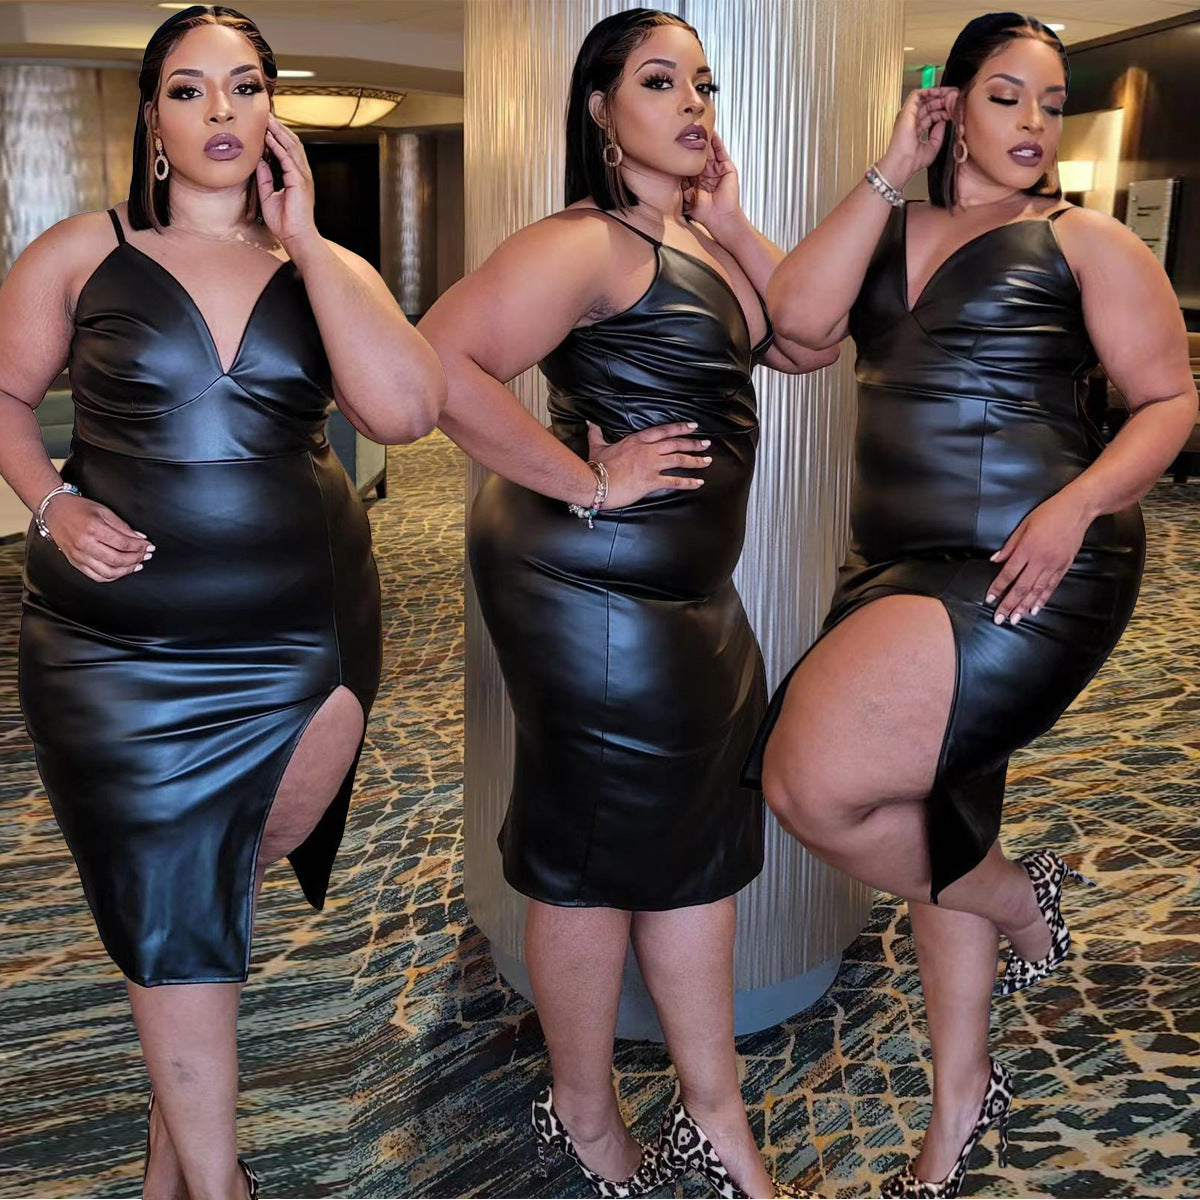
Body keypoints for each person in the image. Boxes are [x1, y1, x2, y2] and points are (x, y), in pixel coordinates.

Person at [747, 12, 1197, 1198]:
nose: (1036, 124)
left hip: (1031, 564)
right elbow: (799, 323)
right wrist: (888, 167)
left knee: (809, 783)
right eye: (1008, 97)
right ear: (949, 105)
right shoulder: (890, 224)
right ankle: (960, 1108)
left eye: (1051, 103)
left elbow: (1167, 403)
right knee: (936, 809)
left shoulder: (1083, 239)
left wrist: (1074, 508)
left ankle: (1013, 898)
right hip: (892, 566)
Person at [0, 6, 445, 1195]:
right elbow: (3, 397)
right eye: (190, 90)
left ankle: (172, 1169)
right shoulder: (79, 253)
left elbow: (406, 413)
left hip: (302, 636)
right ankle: (217, 1181)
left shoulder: (323, 266)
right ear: (152, 117)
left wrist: (310, 241)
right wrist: (51, 503)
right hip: (116, 654)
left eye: (245, 87)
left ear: (273, 110)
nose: (221, 113)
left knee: (205, 898)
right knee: (174, 907)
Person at [420, 10, 837, 1198]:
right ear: (601, 111)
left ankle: (713, 1118)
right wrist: (585, 480)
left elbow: (807, 342)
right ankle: (583, 1112)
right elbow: (435, 359)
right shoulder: (587, 243)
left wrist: (732, 220)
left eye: (703, 83)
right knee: (596, 853)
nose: (694, 102)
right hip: (591, 593)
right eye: (661, 82)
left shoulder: (692, 238)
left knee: (698, 844)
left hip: (689, 594)